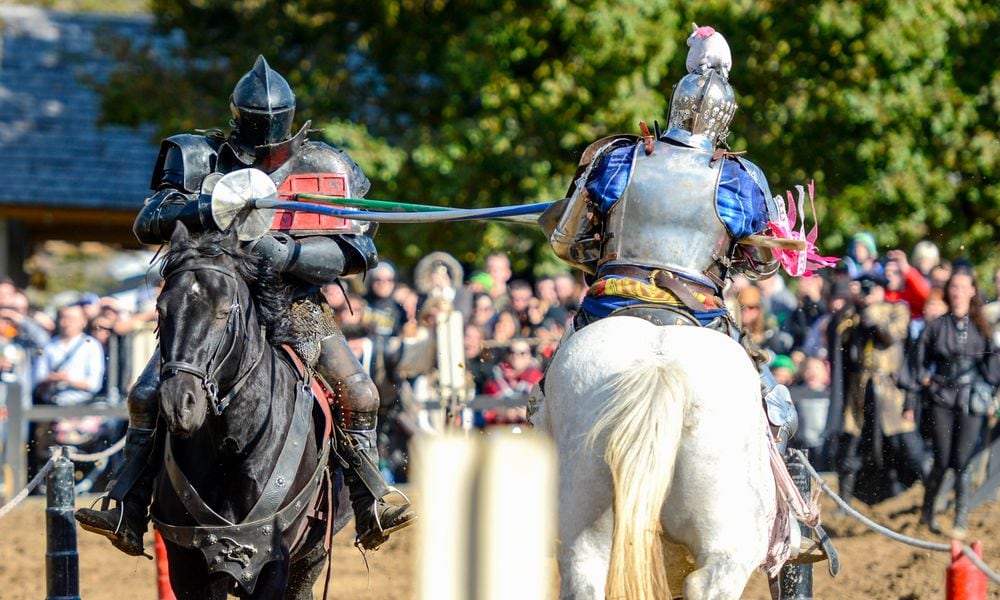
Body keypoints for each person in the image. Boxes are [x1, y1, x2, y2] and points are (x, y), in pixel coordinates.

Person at [75, 56, 415, 556]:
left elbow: (359, 248)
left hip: (297, 304)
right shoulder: (200, 156)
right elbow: (151, 220)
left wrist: (290, 252)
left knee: (359, 392)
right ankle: (127, 504)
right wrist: (212, 202)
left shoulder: (326, 164)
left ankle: (370, 502)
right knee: (149, 392)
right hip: (213, 305)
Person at [540, 25, 809, 455]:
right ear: (727, 119)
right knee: (779, 412)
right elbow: (764, 266)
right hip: (698, 316)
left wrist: (604, 248)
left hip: (609, 306)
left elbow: (565, 245)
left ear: (674, 104)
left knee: (545, 400)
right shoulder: (740, 178)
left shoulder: (617, 157)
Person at [915, 266, 1000, 537]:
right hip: (941, 396)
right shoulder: (937, 325)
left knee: (963, 461)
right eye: (954, 287)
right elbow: (918, 360)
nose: (959, 292)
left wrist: (991, 393)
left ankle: (960, 518)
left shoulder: (982, 327)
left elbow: (992, 365)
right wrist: (921, 381)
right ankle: (927, 513)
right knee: (942, 459)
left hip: (971, 398)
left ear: (973, 290)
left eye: (964, 287)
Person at [834, 272, 927, 507]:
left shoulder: (897, 310)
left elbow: (891, 336)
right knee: (852, 445)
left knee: (907, 444)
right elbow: (839, 336)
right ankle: (844, 504)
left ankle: (931, 497)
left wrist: (872, 313)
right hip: (861, 390)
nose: (867, 293)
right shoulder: (853, 313)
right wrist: (853, 305)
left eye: (871, 288)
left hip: (890, 391)